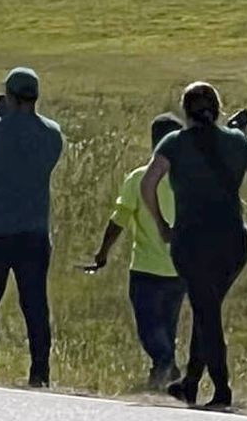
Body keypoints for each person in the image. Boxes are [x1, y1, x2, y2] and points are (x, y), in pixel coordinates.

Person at [141, 83, 247, 411]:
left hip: (192, 241)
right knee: (207, 307)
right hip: (233, 241)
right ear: (217, 109)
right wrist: (243, 139)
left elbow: (148, 183)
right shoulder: (236, 141)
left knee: (207, 311)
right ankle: (190, 383)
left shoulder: (173, 143)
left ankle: (221, 389)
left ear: (186, 112)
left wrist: (161, 224)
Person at [0, 68, 63, 387]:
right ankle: (40, 371)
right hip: (33, 229)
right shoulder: (52, 133)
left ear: (9, 95)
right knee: (35, 303)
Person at [84, 113, 185, 388]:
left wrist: (103, 252)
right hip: (180, 269)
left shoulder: (140, 178)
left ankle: (165, 364)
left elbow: (119, 220)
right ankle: (163, 372)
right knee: (168, 325)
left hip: (146, 268)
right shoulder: (188, 180)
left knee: (149, 327)